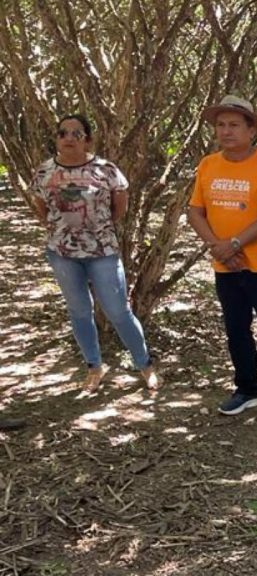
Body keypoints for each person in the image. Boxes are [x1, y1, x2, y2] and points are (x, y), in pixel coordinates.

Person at [32, 114, 158, 393]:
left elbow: (119, 206)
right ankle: (93, 367)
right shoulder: (44, 172)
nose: (68, 138)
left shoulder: (106, 170)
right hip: (62, 253)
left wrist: (97, 230)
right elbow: (41, 207)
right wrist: (61, 231)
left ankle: (145, 364)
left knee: (118, 311)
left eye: (76, 133)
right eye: (62, 133)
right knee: (79, 311)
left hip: (103, 251)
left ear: (87, 139)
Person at [188, 95, 257, 418]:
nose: (226, 131)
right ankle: (247, 389)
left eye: (234, 125)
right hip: (225, 263)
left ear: (251, 130)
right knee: (236, 327)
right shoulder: (208, 164)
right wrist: (218, 247)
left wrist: (234, 243)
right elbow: (195, 211)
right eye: (221, 125)